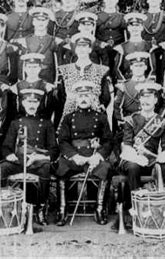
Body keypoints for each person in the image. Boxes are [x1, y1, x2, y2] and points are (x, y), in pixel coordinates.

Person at [55, 80, 113, 226]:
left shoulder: (100, 117)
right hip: (75, 158)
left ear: (92, 98)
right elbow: (62, 141)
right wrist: (74, 156)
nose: (83, 99)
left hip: (93, 157)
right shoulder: (68, 118)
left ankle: (99, 209)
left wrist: (98, 156)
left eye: (87, 95)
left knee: (105, 169)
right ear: (76, 98)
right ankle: (62, 209)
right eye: (80, 96)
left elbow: (108, 141)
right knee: (61, 167)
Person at [0, 87, 59, 225]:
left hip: (37, 162)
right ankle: (5, 207)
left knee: (45, 168)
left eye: (35, 102)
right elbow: (6, 146)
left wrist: (38, 157)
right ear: (23, 103)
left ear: (39, 104)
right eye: (28, 102)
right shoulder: (15, 123)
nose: (31, 105)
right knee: (1, 169)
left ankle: (40, 208)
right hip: (19, 161)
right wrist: (9, 155)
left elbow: (53, 149)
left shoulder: (46, 123)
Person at [119, 82, 165, 208]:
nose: (145, 101)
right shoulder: (131, 120)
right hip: (133, 158)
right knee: (133, 167)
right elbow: (127, 145)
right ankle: (135, 206)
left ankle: (160, 204)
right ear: (139, 99)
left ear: (155, 100)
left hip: (152, 159)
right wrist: (137, 158)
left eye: (149, 97)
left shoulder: (162, 122)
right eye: (143, 97)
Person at [57, 33, 111, 123]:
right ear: (75, 49)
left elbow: (105, 96)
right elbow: (61, 94)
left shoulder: (100, 70)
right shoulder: (65, 70)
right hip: (70, 113)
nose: (82, 50)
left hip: (94, 112)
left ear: (90, 49)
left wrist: (100, 106)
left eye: (85, 46)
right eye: (79, 47)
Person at [12, 53, 56, 120]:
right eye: (29, 67)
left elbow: (50, 110)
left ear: (40, 68)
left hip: (40, 123)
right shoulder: (17, 86)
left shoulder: (47, 86)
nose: (32, 70)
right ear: (25, 68)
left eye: (35, 67)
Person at [113, 13, 156, 82]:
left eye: (137, 26)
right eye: (132, 26)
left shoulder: (149, 46)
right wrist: (125, 84)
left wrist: (147, 82)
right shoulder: (121, 48)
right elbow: (117, 69)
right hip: (127, 82)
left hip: (145, 83)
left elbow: (153, 69)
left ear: (142, 27)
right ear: (128, 28)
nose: (135, 29)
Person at [22, 7, 59, 84]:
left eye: (44, 20)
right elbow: (22, 66)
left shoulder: (53, 40)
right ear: (33, 22)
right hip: (30, 79)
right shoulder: (26, 41)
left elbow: (57, 63)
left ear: (48, 22)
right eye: (38, 20)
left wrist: (56, 81)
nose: (41, 23)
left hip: (48, 78)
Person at [96, 0, 126, 72]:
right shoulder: (97, 17)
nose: (110, 0)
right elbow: (91, 35)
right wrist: (99, 43)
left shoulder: (122, 17)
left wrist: (121, 46)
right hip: (101, 49)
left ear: (117, 0)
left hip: (117, 50)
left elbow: (127, 37)